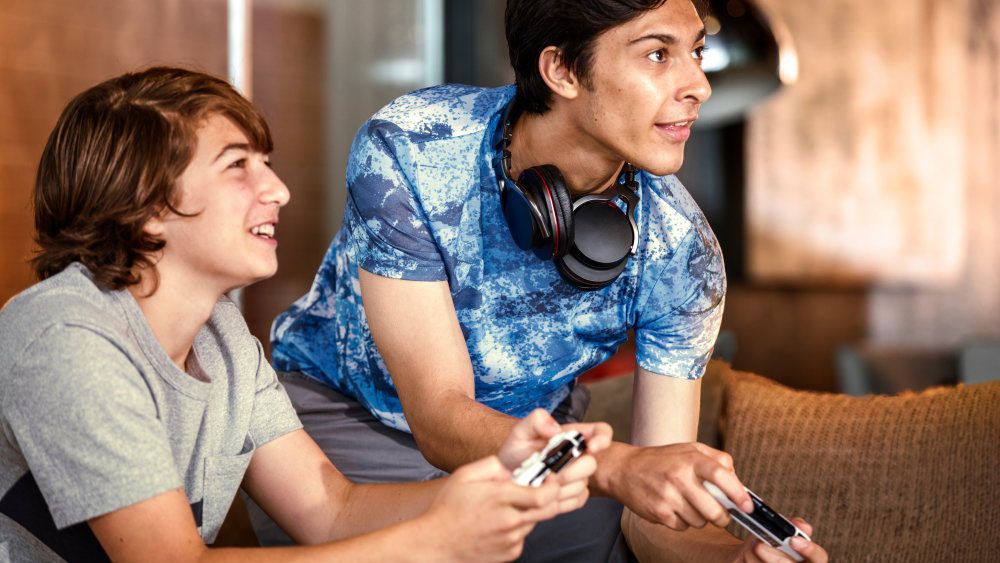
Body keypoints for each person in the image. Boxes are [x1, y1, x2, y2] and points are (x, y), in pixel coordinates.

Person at [264, 0, 829, 561]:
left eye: (696, 52)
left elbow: (652, 520)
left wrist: (734, 559)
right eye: (658, 54)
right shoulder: (414, 146)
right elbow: (439, 416)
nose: (699, 85)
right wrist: (615, 467)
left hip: (538, 454)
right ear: (560, 70)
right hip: (343, 427)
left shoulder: (683, 254)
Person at [0, 66, 609, 562]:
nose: (278, 190)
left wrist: (496, 480)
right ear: (143, 207)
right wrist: (432, 541)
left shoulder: (221, 337)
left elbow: (330, 512)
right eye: (238, 165)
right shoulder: (63, 335)